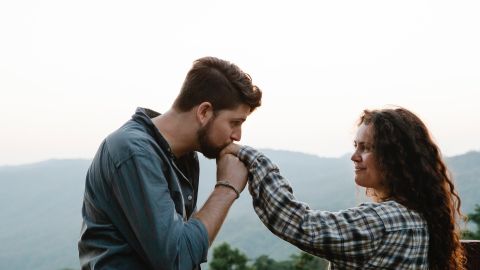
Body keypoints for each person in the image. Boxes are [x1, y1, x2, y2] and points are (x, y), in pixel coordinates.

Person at [222, 107, 465, 269]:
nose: (354, 156)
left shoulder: (387, 221)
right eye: (356, 146)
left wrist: (251, 158)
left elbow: (302, 225)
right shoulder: (415, 216)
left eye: (366, 148)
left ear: (395, 158)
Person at [78, 56, 262, 270]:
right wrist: (226, 188)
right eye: (235, 122)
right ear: (204, 112)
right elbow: (177, 259)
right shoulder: (134, 152)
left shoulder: (184, 157)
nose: (238, 136)